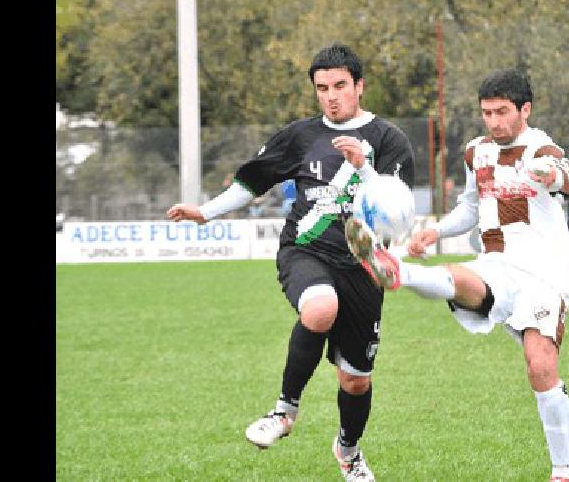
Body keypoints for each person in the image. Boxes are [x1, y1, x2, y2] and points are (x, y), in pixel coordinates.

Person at [166, 43, 415, 482]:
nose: (331, 96)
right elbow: (253, 180)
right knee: (320, 308)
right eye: (322, 88)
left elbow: (398, 208)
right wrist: (206, 211)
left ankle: (349, 451)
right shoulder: (300, 136)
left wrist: (364, 168)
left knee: (355, 380)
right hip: (305, 249)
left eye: (340, 86)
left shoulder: (388, 139)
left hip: (362, 265)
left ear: (359, 86)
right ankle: (283, 412)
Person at [345, 68, 569, 482]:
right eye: (486, 113)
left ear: (525, 109)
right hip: (497, 264)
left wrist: (550, 174)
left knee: (540, 365)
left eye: (502, 112)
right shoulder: (477, 152)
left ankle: (563, 472)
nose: (493, 121)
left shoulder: (539, 146)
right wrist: (436, 229)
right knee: (459, 277)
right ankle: (398, 272)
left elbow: (563, 174)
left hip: (544, 272)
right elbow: (470, 209)